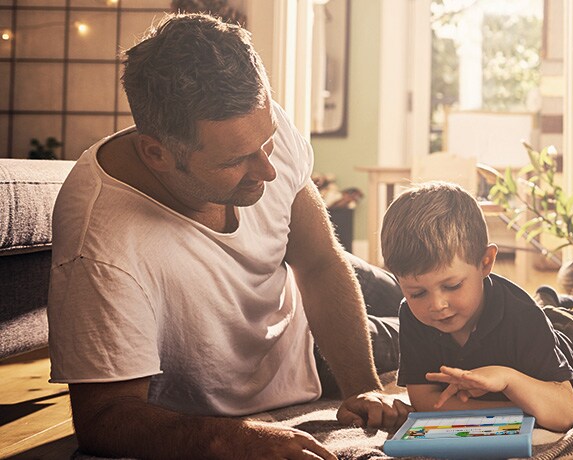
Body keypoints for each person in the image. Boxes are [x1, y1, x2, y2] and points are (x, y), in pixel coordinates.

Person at [46, 14, 407, 459]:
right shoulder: (101, 245)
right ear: (156, 153)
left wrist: (366, 389)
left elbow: (317, 262)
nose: (268, 171)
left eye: (267, 141)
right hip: (300, 351)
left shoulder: (253, 125)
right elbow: (104, 419)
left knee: (414, 286)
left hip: (297, 292)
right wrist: (232, 440)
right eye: (235, 160)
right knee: (441, 322)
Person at [379, 181, 573, 432]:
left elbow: (564, 414)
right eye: (417, 292)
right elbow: (425, 400)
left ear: (486, 263)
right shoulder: (412, 315)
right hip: (537, 328)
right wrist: (514, 409)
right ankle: (548, 299)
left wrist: (507, 379)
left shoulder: (522, 317)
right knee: (545, 311)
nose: (437, 305)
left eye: (452, 286)